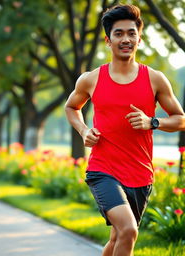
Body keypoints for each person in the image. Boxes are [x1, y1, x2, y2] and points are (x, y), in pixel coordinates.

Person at [64, 4, 185, 256]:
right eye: (119, 34)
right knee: (129, 230)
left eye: (131, 33)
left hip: (140, 174)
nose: (126, 39)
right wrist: (84, 130)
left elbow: (180, 119)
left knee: (118, 237)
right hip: (103, 170)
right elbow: (71, 108)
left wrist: (153, 121)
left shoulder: (155, 79)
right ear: (108, 41)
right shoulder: (91, 79)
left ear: (139, 38)